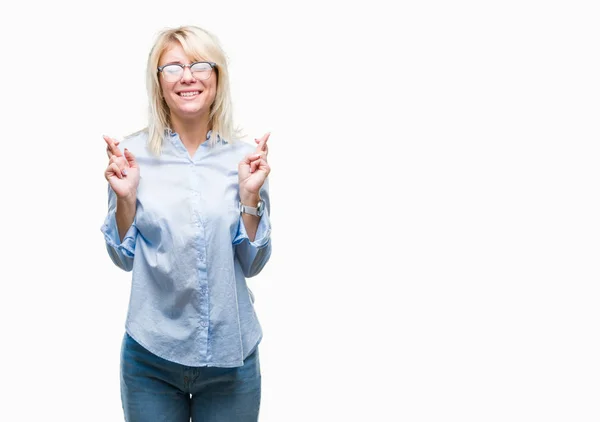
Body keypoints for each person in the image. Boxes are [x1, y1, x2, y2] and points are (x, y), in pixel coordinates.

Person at [100, 25, 272, 421]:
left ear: (217, 77)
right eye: (173, 67)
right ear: (158, 82)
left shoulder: (246, 159)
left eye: (199, 64)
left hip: (232, 357)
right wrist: (125, 200)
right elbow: (122, 257)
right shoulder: (131, 156)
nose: (187, 77)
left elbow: (253, 263)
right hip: (151, 358)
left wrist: (250, 197)